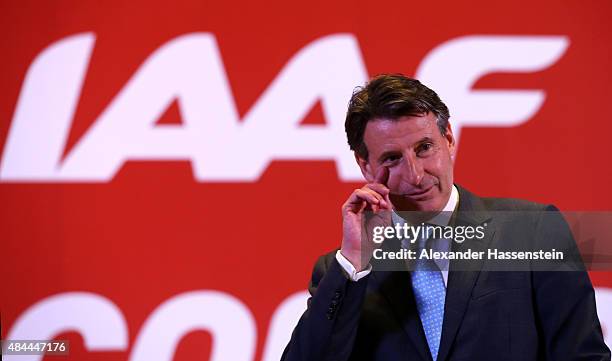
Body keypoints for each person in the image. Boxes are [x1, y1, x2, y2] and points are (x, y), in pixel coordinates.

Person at [281, 74, 610, 361]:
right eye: (392, 158)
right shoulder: (345, 272)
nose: (416, 174)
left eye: (424, 147)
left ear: (449, 139)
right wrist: (354, 263)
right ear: (365, 165)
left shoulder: (534, 232)